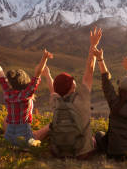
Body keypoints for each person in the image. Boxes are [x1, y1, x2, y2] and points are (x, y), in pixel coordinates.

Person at [42, 27, 102, 159]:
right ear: (71, 86)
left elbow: (53, 89)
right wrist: (93, 46)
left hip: (59, 152)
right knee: (98, 136)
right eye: (71, 81)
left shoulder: (56, 101)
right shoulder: (81, 99)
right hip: (82, 153)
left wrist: (47, 75)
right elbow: (89, 71)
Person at [0, 46, 53, 147]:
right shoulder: (27, 94)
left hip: (8, 139)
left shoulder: (7, 92)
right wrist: (44, 58)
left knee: (7, 118)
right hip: (25, 140)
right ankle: (31, 145)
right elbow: (37, 73)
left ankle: (14, 142)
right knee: (49, 127)